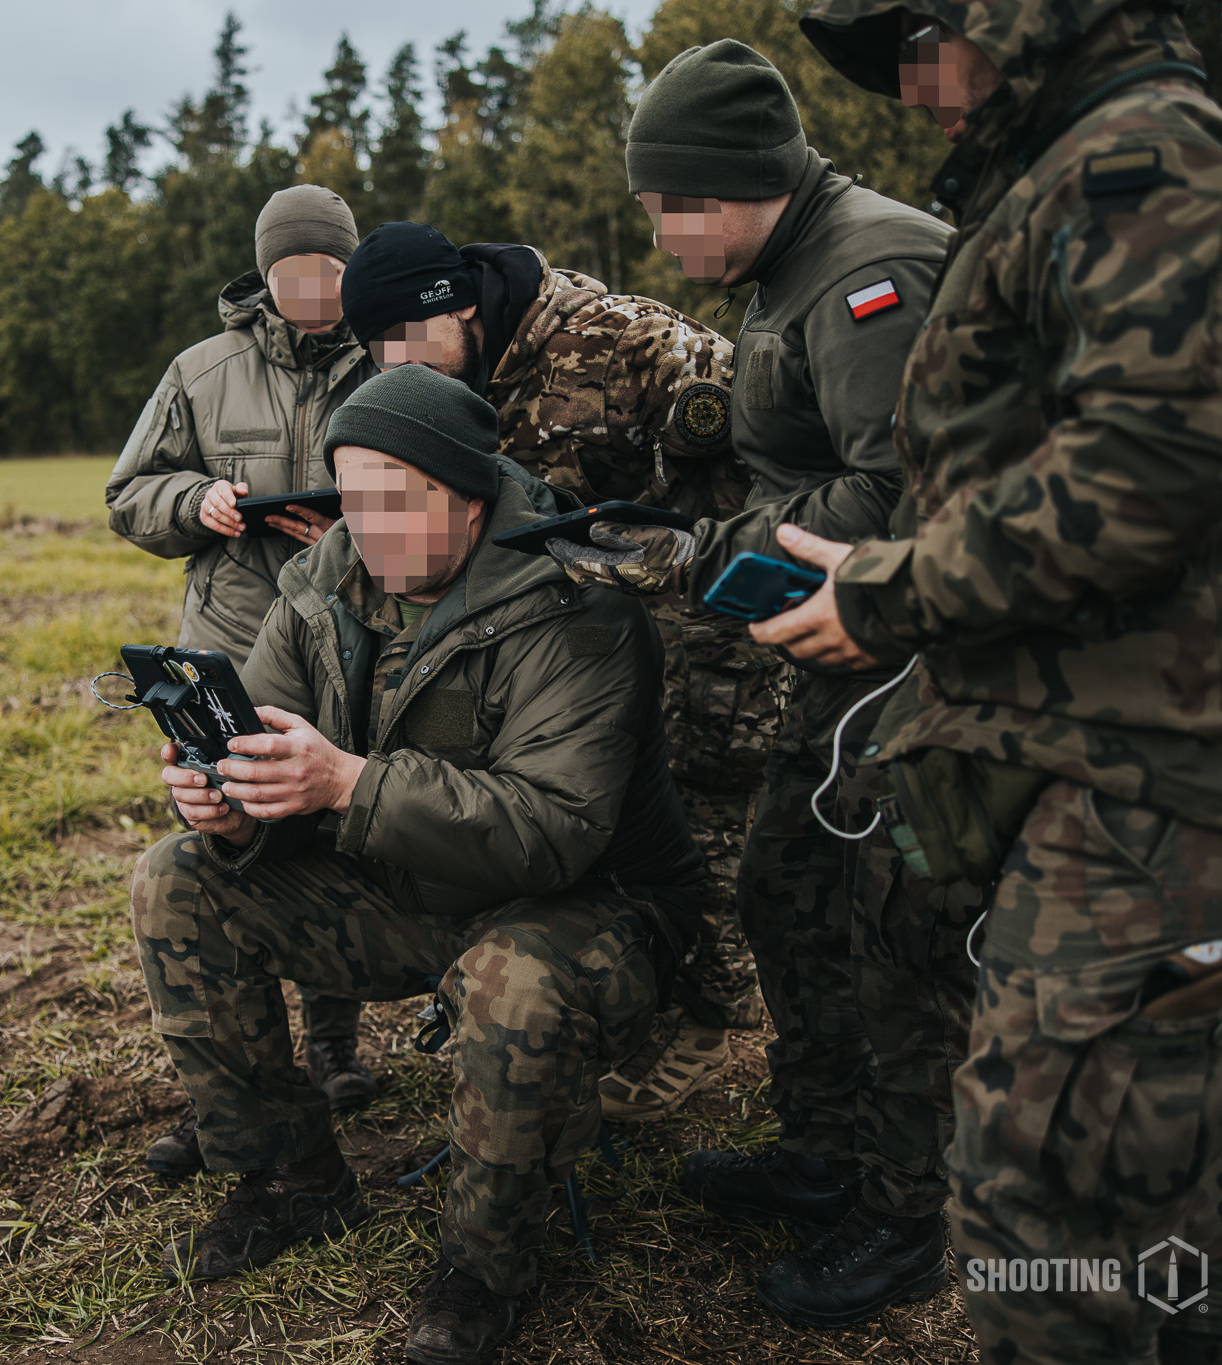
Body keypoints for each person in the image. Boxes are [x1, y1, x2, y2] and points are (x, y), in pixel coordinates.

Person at [601, 3, 1222, 1359]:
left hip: (1169, 754)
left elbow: (1141, 475)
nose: (909, 85)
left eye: (924, 42)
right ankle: (862, 1172)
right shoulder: (1050, 181)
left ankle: (896, 1205)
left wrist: (881, 594)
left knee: (1090, 1206)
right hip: (1066, 728)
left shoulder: (1146, 167)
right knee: (1044, 1186)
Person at [128, 363, 702, 1365]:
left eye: (399, 500)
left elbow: (552, 830)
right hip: (406, 888)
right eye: (352, 497)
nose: (370, 525)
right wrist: (232, 810)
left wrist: (345, 783)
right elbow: (272, 757)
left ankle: (482, 1269)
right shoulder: (319, 580)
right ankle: (291, 1179)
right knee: (176, 876)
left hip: (585, 908)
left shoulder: (579, 605)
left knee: (511, 980)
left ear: (471, 501)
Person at [551, 39, 987, 1326]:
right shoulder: (785, 261)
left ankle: (906, 1217)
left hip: (925, 662)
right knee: (788, 891)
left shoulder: (869, 270)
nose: (661, 237)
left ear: (736, 179)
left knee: (899, 932)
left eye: (666, 208)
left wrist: (708, 551)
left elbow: (908, 491)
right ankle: (823, 1152)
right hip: (834, 647)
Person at [336, 217, 768, 1123]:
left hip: (703, 622)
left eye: (405, 339)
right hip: (575, 637)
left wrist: (685, 572)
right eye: (377, 350)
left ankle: (705, 1015)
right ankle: (615, 998)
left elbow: (763, 481)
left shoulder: (630, 344)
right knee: (578, 811)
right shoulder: (444, 372)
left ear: (454, 305)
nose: (395, 365)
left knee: (703, 807)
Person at [105, 184, 378, 1169]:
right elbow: (127, 494)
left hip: (345, 638)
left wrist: (349, 531)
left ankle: (337, 1048)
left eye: (329, 272)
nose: (312, 288)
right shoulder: (199, 370)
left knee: (328, 822)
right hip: (228, 637)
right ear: (264, 278)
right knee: (219, 834)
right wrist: (196, 501)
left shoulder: (387, 357)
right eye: (293, 273)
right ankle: (233, 1076)